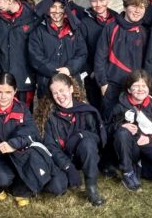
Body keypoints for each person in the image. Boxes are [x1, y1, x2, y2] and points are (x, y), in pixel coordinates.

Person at [0, 72, 56, 207]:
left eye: (8, 92)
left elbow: (32, 132)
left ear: (15, 91)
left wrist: (14, 144)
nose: (3, 97)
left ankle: (19, 191)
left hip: (16, 152)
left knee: (34, 166)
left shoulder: (22, 109)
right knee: (2, 179)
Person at [42, 73, 107, 206]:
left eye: (62, 90)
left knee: (87, 143)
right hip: (63, 158)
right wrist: (67, 166)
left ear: (71, 89)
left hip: (84, 154)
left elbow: (98, 138)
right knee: (57, 188)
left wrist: (80, 136)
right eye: (55, 93)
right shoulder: (50, 117)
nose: (59, 96)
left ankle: (91, 188)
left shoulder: (87, 111)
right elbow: (50, 146)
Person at [110, 70, 152, 191]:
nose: (140, 89)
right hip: (130, 145)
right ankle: (128, 171)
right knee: (122, 133)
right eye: (136, 86)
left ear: (148, 88)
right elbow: (107, 128)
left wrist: (150, 139)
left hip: (149, 143)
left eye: (144, 86)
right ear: (129, 90)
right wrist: (120, 126)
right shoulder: (120, 106)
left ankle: (139, 167)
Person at [95, 0, 148, 117]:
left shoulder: (143, 32)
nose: (137, 11)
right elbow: (99, 58)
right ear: (125, 7)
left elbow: (146, 62)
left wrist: (142, 86)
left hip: (134, 89)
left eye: (141, 7)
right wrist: (103, 84)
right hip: (111, 87)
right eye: (134, 6)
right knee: (109, 122)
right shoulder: (111, 28)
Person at [0, 0, 37, 107]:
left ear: (9, 0)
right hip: (3, 79)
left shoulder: (32, 17)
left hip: (26, 78)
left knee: (24, 114)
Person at [28, 0, 87, 98]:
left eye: (61, 7)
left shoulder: (75, 29)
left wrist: (69, 69)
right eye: (53, 7)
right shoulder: (38, 31)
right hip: (47, 83)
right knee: (47, 114)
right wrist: (57, 71)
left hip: (71, 82)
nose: (57, 11)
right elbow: (35, 57)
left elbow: (82, 54)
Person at [76, 0, 118, 112]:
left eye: (102, 0)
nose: (98, 4)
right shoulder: (84, 22)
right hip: (94, 75)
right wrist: (90, 71)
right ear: (89, 0)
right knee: (97, 110)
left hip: (114, 73)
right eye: (94, 1)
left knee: (114, 110)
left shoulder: (116, 18)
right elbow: (81, 50)